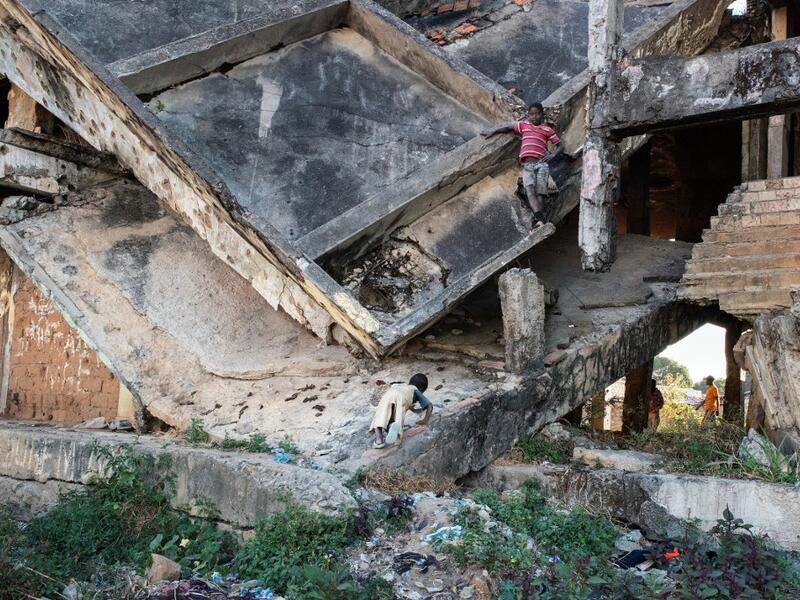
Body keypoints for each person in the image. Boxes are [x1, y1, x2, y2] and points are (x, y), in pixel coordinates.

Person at [481, 102, 563, 228]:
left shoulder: (547, 130)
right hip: (527, 165)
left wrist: (552, 155)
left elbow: (560, 146)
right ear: (528, 115)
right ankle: (540, 219)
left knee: (541, 192)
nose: (534, 116)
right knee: (529, 190)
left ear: (541, 115)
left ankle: (539, 220)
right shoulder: (524, 125)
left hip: (541, 164)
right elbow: (508, 127)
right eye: (531, 114)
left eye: (537, 114)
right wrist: (493, 130)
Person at [369, 373, 433, 449]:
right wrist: (425, 420)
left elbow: (409, 404)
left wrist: (415, 410)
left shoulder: (402, 386)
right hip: (400, 398)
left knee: (380, 416)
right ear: (421, 389)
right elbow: (430, 406)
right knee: (398, 416)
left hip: (387, 395)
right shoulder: (415, 390)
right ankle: (394, 428)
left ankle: (379, 440)